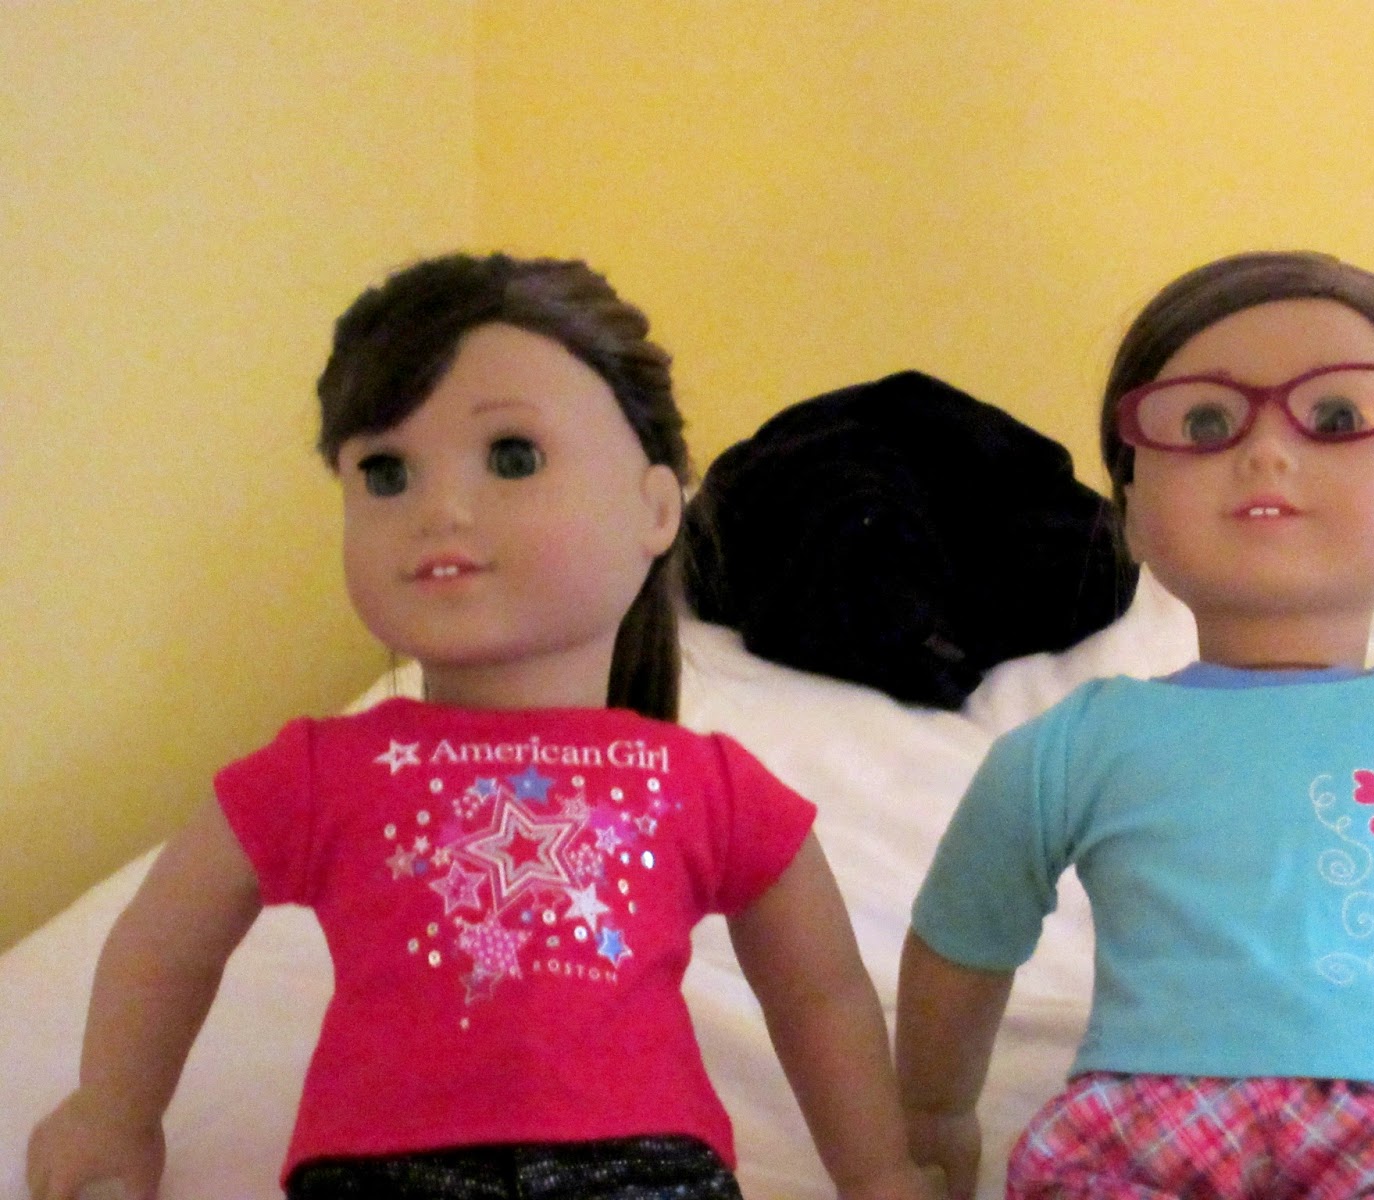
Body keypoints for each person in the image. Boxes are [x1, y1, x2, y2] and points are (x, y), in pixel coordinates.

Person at [28, 253, 935, 1200]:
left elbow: (820, 994)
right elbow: (164, 943)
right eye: (385, 473)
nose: (439, 510)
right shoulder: (316, 770)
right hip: (382, 1170)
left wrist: (877, 1170)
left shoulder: (707, 783)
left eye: (513, 457)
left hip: (644, 1167)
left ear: (656, 507)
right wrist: (112, 1113)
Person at [895, 250, 1374, 1200]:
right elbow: (964, 937)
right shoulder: (1073, 747)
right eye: (1204, 422)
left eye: (1338, 416)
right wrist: (931, 1116)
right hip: (1136, 1135)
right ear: (1132, 514)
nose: (1266, 450)